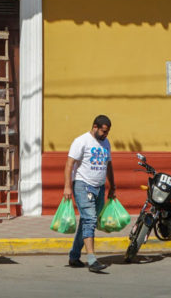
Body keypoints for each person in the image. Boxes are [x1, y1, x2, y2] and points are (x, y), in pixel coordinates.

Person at [63, 114, 116, 273]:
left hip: (99, 188)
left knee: (87, 220)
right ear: (95, 127)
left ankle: (74, 256)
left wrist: (112, 186)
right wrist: (67, 186)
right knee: (90, 220)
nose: (105, 135)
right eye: (103, 131)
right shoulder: (81, 141)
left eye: (107, 132)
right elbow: (69, 164)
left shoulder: (106, 143)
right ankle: (92, 259)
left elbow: (108, 165)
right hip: (82, 185)